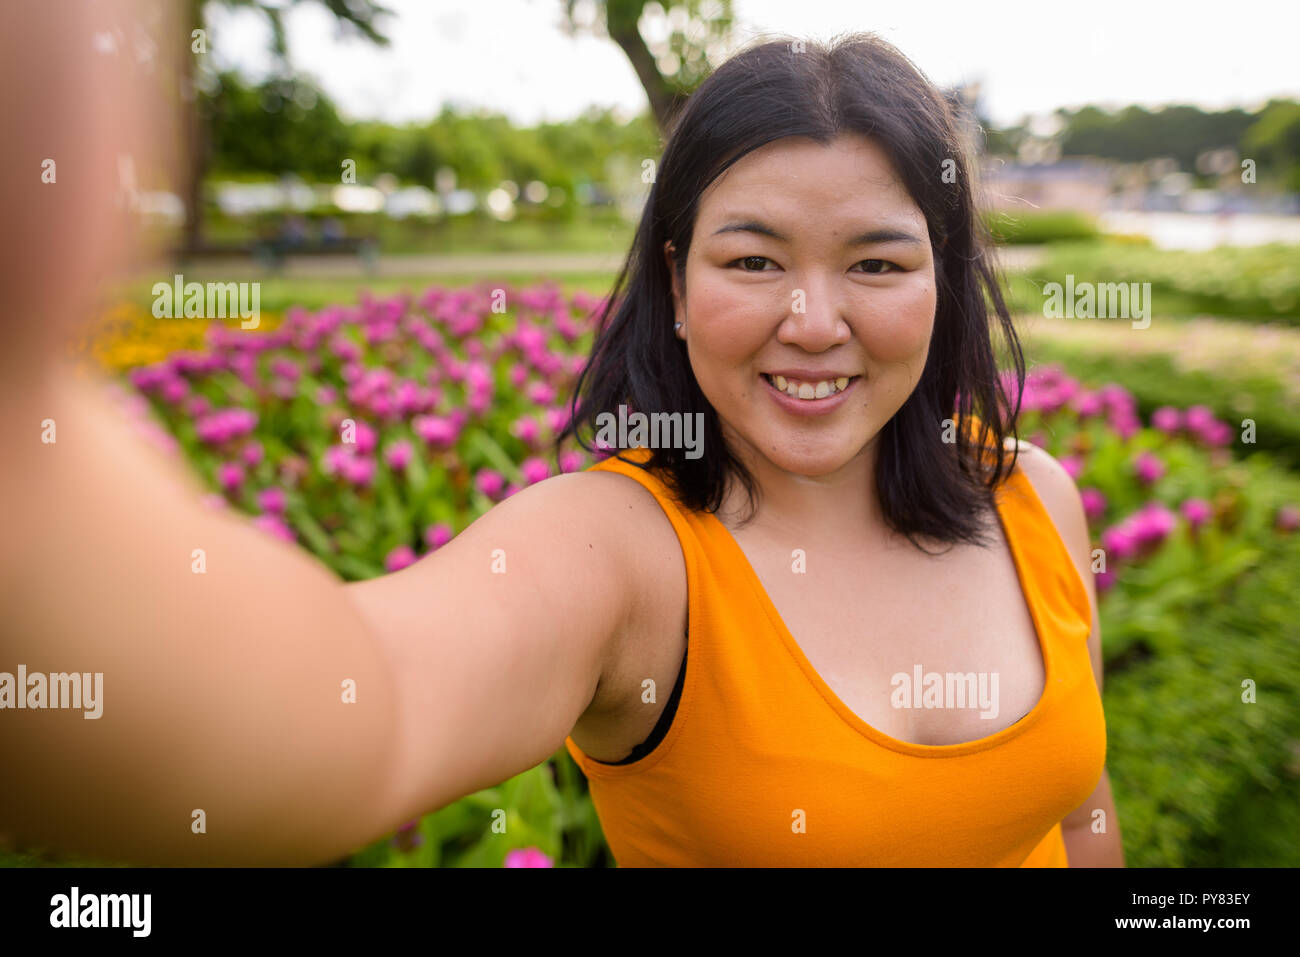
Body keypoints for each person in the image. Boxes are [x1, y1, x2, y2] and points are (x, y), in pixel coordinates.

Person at [0, 9, 1123, 866]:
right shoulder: (620, 553)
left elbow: (1078, 808)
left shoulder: (1032, 496)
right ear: (677, 286)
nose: (814, 321)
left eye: (877, 262)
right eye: (753, 259)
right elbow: (357, 709)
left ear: (945, 283)